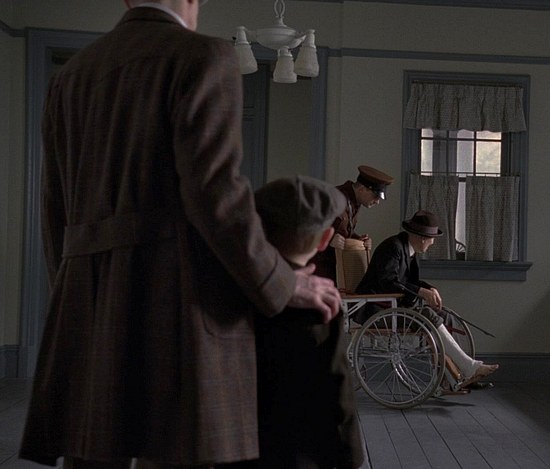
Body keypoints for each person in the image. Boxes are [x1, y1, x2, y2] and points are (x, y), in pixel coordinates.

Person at [20, 1, 341, 468]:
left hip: (86, 307)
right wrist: (282, 281)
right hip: (177, 308)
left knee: (92, 458)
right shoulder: (203, 56)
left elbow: (55, 214)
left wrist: (72, 301)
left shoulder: (70, 77)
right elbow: (217, 197)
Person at [252, 176, 363, 469]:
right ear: (325, 239)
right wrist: (350, 454)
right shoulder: (320, 303)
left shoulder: (245, 293)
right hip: (304, 450)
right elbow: (338, 387)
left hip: (245, 446)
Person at [354, 210, 499, 388]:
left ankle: (458, 378)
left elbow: (409, 282)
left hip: (393, 308)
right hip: (377, 311)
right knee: (428, 315)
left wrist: (429, 289)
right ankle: (470, 368)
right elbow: (387, 282)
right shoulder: (392, 248)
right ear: (423, 238)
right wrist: (421, 291)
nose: (432, 243)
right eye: (432, 239)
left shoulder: (408, 250)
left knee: (445, 316)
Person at [311, 165, 394, 282]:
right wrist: (329, 239)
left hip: (332, 265)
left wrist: (359, 240)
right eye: (375, 196)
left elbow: (341, 230)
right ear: (362, 189)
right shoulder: (335, 198)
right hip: (315, 266)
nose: (377, 202)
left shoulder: (354, 201)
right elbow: (306, 226)